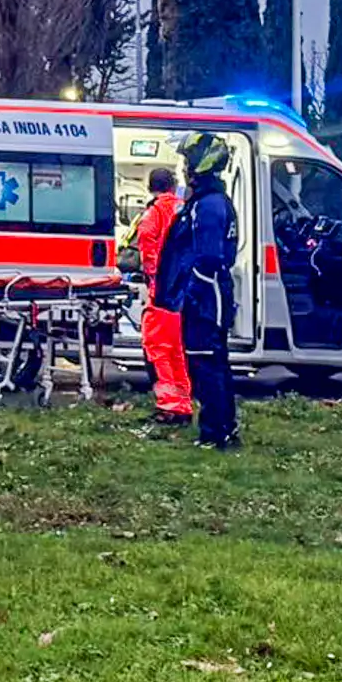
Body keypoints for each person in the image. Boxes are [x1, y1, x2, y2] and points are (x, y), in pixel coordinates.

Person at [154, 133, 241, 450]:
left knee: (207, 366)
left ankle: (215, 432)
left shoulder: (209, 206)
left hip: (206, 298)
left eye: (188, 161)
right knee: (212, 364)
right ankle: (222, 428)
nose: (184, 168)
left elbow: (208, 257)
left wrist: (190, 293)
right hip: (204, 295)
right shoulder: (205, 202)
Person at [130, 164, 193, 423]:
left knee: (157, 349)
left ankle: (170, 406)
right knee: (177, 351)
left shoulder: (155, 212)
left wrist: (152, 275)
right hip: (182, 291)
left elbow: (146, 241)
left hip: (162, 292)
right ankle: (183, 403)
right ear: (172, 184)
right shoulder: (183, 208)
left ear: (151, 187)